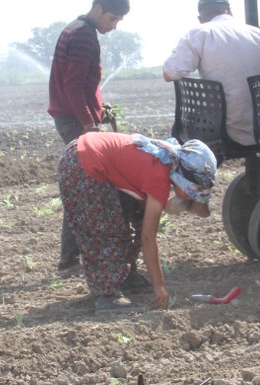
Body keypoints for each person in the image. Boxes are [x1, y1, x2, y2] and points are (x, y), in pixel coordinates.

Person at [57, 132, 215, 315]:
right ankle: (107, 295)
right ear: (183, 178)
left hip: (83, 155)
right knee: (106, 230)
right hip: (82, 164)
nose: (191, 197)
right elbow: (148, 237)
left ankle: (125, 277)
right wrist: (159, 286)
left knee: (136, 217)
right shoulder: (159, 177)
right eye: (192, 193)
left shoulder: (167, 158)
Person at [47, 0, 130, 279]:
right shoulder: (84, 34)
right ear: (98, 9)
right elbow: (72, 84)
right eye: (112, 19)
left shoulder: (75, 28)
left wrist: (99, 109)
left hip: (71, 116)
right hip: (73, 120)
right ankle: (69, 261)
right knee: (86, 188)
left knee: (83, 186)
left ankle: (70, 260)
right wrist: (88, 125)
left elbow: (81, 84)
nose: (114, 26)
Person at [162, 0, 260, 147]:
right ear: (230, 11)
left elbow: (170, 73)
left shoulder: (198, 34)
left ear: (201, 19)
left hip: (222, 129)